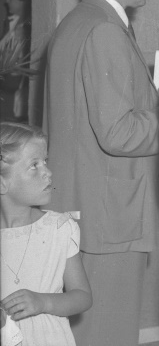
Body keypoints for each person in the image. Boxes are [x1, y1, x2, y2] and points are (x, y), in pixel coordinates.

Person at [43, 0, 159, 346]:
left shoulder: (76, 22)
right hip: (110, 216)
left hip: (83, 205)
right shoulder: (105, 30)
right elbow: (119, 133)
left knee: (87, 331)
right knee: (109, 331)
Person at [0, 121, 92, 346]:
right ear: (2, 183)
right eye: (34, 165)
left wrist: (43, 302)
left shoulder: (59, 229)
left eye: (45, 162)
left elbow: (82, 296)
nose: (48, 172)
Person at [0, 0, 32, 122]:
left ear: (24, 1)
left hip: (15, 100)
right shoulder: (11, 24)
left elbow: (15, 77)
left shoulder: (26, 30)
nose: (7, 1)